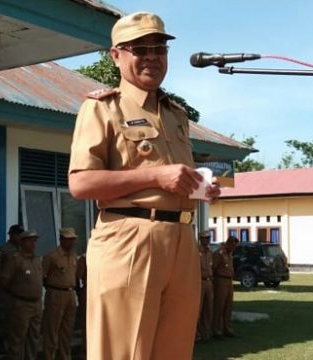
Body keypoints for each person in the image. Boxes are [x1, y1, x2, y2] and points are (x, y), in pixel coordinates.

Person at [68, 11, 221, 359]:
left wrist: (199, 187)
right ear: (117, 55)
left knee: (174, 351)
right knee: (124, 352)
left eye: (159, 48)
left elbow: (176, 177)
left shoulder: (176, 115)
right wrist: (156, 176)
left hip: (182, 240)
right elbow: (81, 183)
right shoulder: (102, 109)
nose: (152, 56)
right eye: (140, 49)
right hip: (130, 239)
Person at [0, 230, 44, 360]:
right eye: (30, 240)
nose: (33, 243)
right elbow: (3, 282)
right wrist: (18, 293)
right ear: (22, 242)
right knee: (18, 339)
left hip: (36, 304)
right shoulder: (15, 260)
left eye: (35, 240)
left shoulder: (37, 259)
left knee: (33, 338)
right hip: (21, 304)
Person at [41, 228, 78, 360]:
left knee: (67, 331)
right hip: (56, 293)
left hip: (70, 293)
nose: (71, 242)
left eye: (73, 239)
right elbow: (42, 277)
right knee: (52, 330)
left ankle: (65, 357)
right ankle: (49, 356)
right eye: (68, 239)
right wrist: (52, 288)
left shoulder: (74, 256)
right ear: (61, 239)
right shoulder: (51, 256)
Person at [0, 224, 25, 353]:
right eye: (17, 234)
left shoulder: (23, 249)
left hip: (18, 288)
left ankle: (13, 342)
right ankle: (0, 342)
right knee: (4, 315)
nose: (20, 237)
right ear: (11, 235)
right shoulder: (3, 250)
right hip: (5, 288)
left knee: (16, 317)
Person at [212, 236, 239, 339]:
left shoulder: (230, 254)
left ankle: (226, 328)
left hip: (229, 281)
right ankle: (216, 329)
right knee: (219, 305)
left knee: (228, 305)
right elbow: (213, 267)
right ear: (229, 243)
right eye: (233, 246)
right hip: (221, 280)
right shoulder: (219, 253)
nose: (234, 249)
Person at [196, 230, 214, 343]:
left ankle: (206, 333)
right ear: (200, 239)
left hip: (209, 282)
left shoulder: (209, 252)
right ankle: (197, 334)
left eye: (209, 238)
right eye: (205, 238)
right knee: (199, 309)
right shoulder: (196, 251)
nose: (207, 240)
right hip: (200, 282)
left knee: (208, 309)